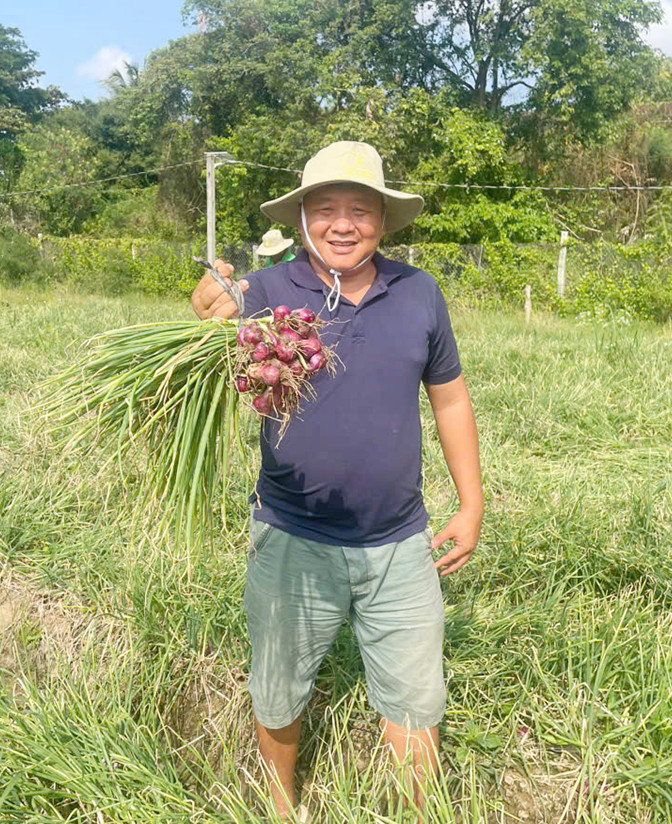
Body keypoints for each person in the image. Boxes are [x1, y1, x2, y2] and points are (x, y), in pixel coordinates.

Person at [190, 141, 483, 817]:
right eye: (326, 209)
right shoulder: (263, 293)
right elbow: (209, 334)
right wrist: (205, 309)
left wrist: (472, 502)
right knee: (279, 690)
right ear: (301, 219)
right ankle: (278, 806)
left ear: (383, 220)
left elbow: (451, 398)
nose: (343, 224)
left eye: (360, 209)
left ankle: (416, 809)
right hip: (292, 536)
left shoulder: (419, 293)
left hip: (400, 542)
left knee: (415, 703)